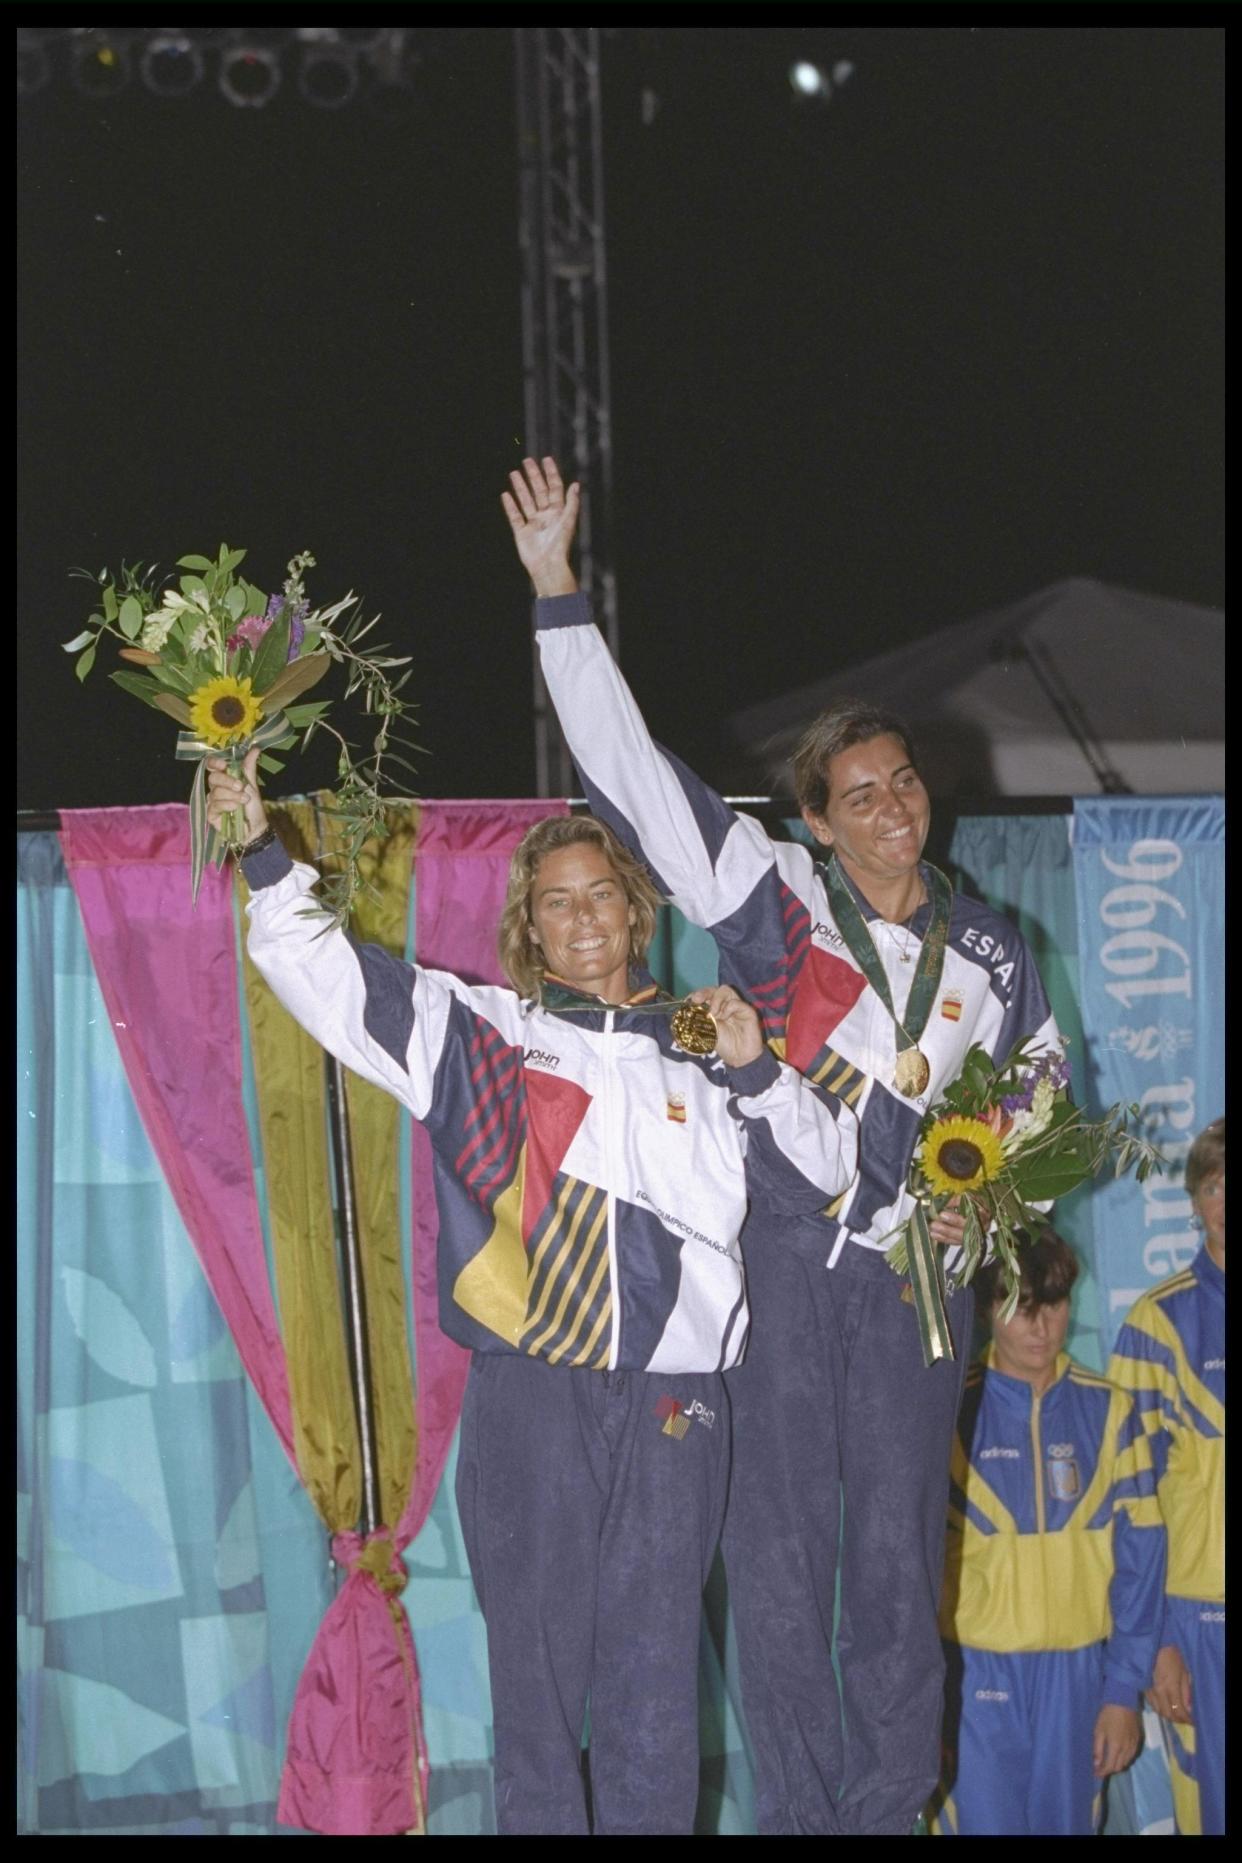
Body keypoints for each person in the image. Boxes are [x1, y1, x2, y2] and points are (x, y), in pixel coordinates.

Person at [502, 456, 1063, 1835]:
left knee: (891, 1562)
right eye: (855, 792)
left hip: (909, 1286)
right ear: (808, 817)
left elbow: (1037, 1095)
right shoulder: (776, 900)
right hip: (775, 1268)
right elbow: (627, 772)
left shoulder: (992, 945)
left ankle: (883, 1811)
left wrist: (975, 1200)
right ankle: (802, 1818)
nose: (888, 805)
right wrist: (556, 592)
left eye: (900, 783)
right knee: (772, 1564)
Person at [205, 757, 858, 1836]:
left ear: (637, 907)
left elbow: (826, 1177)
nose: (584, 917)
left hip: (676, 1403)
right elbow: (322, 974)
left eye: (601, 891)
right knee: (538, 1692)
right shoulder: (484, 1036)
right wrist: (263, 853)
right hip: (532, 1399)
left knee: (654, 1682)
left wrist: (756, 1071)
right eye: (557, 902)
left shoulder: (712, 1046)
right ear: (532, 930)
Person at [929, 1228, 1165, 1835]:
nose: (1042, 1328)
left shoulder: (1112, 1412)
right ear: (987, 1308)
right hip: (974, 1679)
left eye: (1054, 1305)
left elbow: (1141, 1563)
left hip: (1079, 1678)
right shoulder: (946, 1415)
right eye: (1021, 1307)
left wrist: (1121, 1692)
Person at [1108, 1117, 1224, 1836]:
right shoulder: (1157, 1322)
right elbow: (1131, 1502)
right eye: (1215, 1185)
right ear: (1194, 1199)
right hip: (1200, 1619)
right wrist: (1159, 1641)